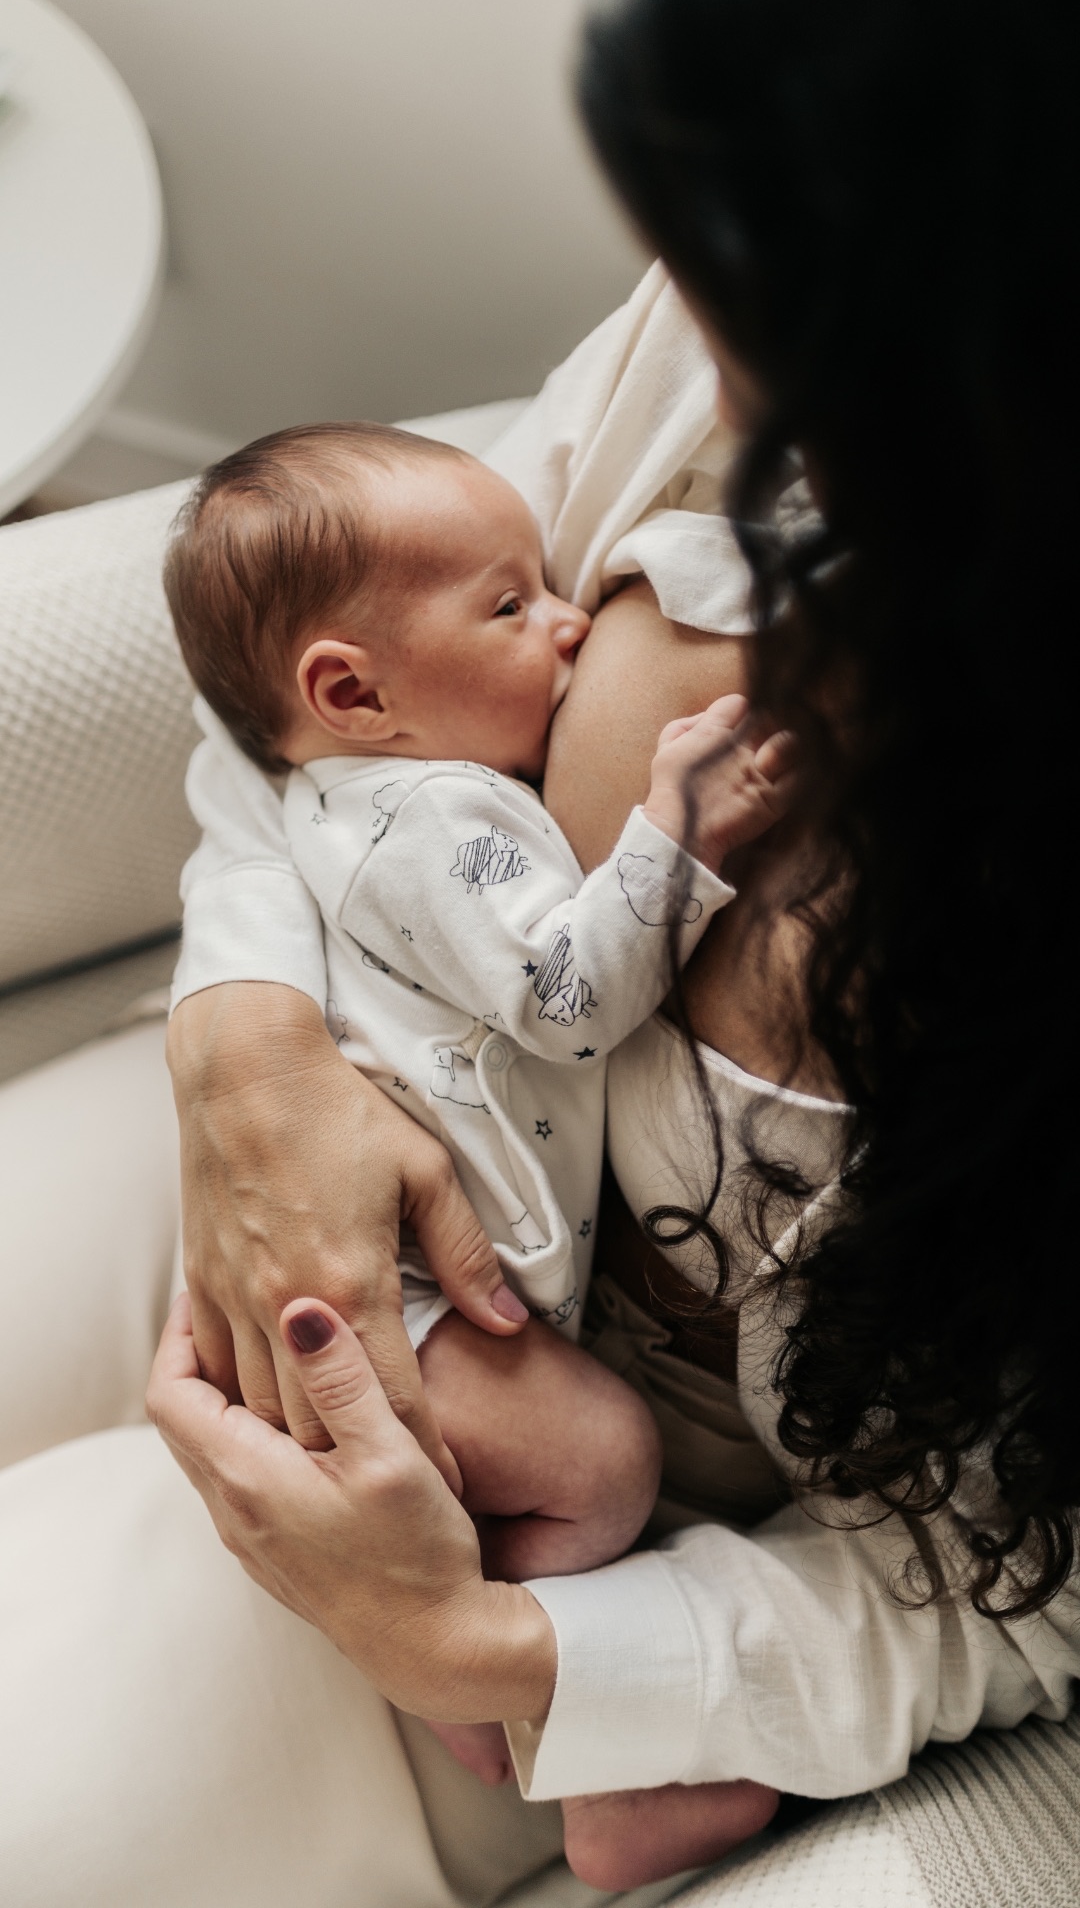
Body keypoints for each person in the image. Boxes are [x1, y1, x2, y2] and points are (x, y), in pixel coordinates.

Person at [3, 0, 1077, 1902]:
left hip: (607, 1519)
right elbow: (319, 710)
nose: (708, 351)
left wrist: (492, 1655)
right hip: (318, 1140)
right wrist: (243, 1042)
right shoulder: (772, 308)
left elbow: (1032, 1613)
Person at [164, 418, 792, 1858]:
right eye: (511, 606)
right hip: (399, 1295)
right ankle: (570, 1761)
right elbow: (566, 1000)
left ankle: (482, 1693)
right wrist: (677, 832)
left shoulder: (347, 789)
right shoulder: (434, 817)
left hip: (362, 1268)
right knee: (604, 1460)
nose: (569, 622)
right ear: (351, 692)